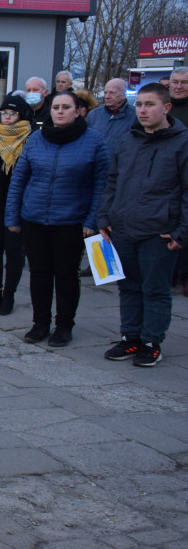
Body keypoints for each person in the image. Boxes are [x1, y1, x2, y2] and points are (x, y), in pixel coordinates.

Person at [5, 91, 108, 347]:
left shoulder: (94, 140)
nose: (60, 111)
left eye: (66, 107)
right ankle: (40, 323)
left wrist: (91, 220)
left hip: (71, 220)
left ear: (78, 111)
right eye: (55, 107)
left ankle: (64, 326)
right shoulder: (36, 138)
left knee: (66, 275)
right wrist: (12, 216)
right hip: (34, 218)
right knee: (39, 273)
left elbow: (102, 185)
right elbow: (19, 179)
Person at [98, 83, 188, 367]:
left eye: (150, 104)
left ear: (166, 107)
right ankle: (130, 338)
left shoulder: (183, 142)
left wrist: (181, 232)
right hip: (123, 227)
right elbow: (112, 180)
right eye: (139, 105)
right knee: (128, 287)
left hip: (159, 231)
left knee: (155, 290)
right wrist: (104, 217)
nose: (142, 110)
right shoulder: (128, 139)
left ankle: (151, 342)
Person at [0, 94, 33, 316]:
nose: (8, 117)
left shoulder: (30, 139)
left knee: (14, 252)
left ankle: (9, 295)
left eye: (13, 114)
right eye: (5, 113)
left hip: (17, 204)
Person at [86, 78, 134, 151]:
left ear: (123, 95)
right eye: (105, 93)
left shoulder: (135, 116)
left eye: (112, 93)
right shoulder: (94, 115)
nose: (107, 96)